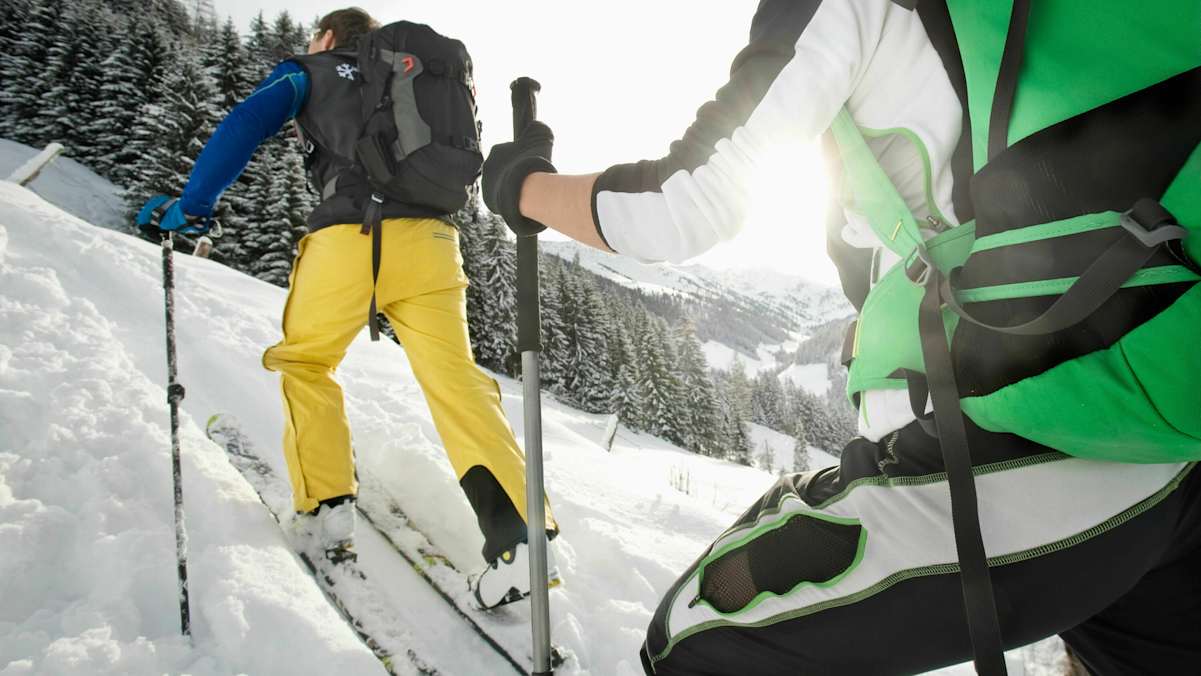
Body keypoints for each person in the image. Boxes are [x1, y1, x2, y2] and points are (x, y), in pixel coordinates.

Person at [483, 0, 1200, 673]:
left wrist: (521, 186)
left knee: (695, 643)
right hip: (1168, 407)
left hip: (1028, 433)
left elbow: (681, 205)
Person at [139, 7, 558, 609]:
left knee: (306, 363)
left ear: (330, 36)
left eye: (316, 36)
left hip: (349, 241)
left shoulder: (308, 69)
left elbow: (245, 121)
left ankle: (325, 508)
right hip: (434, 245)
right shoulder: (414, 78)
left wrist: (194, 206)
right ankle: (523, 540)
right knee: (457, 384)